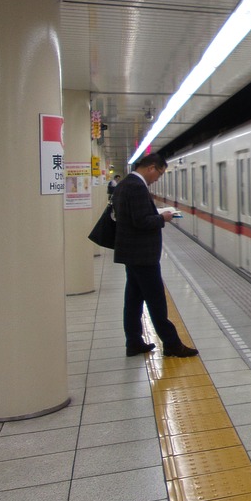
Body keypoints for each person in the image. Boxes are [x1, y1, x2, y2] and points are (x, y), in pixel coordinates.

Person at [112, 153, 198, 357]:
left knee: (133, 299)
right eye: (158, 174)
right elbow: (142, 221)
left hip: (132, 254)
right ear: (151, 167)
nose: (157, 179)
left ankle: (133, 341)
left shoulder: (125, 184)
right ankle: (171, 344)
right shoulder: (136, 187)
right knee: (156, 300)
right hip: (143, 255)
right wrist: (163, 218)